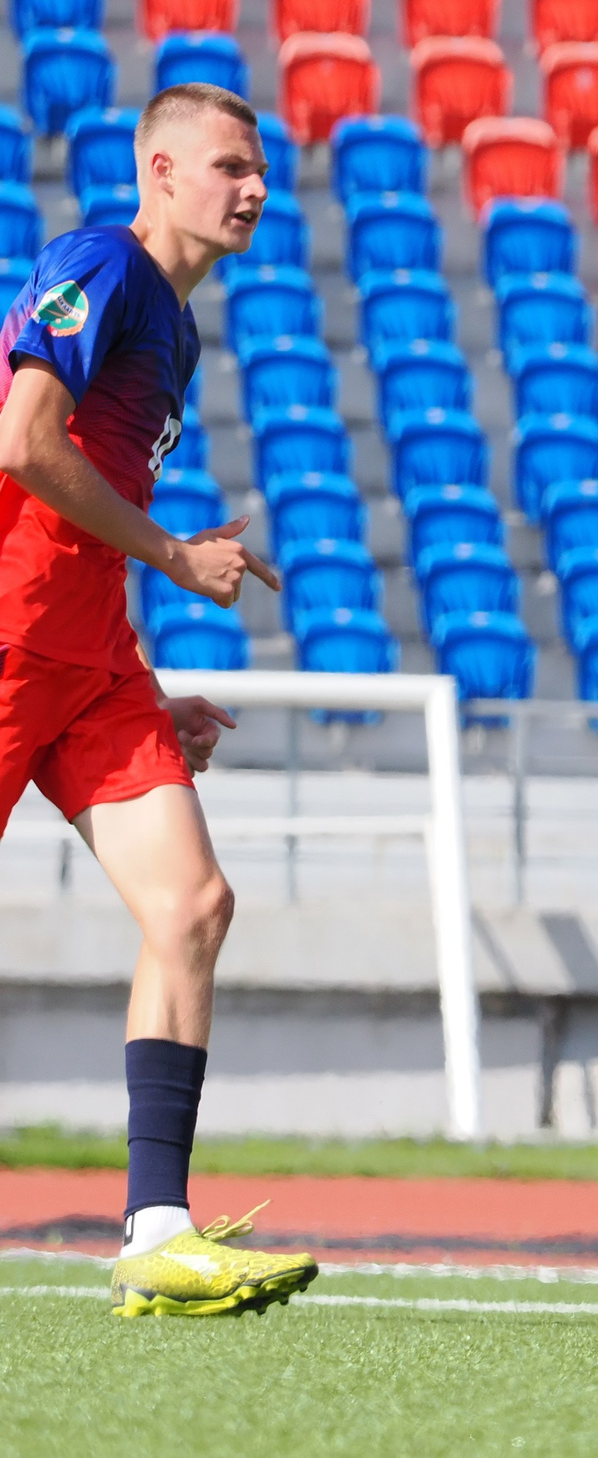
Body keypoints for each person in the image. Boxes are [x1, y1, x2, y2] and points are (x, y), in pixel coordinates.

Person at [0, 83, 317, 1318]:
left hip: (89, 667)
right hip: (12, 647)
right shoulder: (100, 266)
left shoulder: (175, 333)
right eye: (231, 165)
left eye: (261, 170)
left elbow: (73, 505)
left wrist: (145, 682)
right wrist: (180, 559)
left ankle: (156, 1232)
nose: (253, 188)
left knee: (191, 905)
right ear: (162, 169)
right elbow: (23, 442)